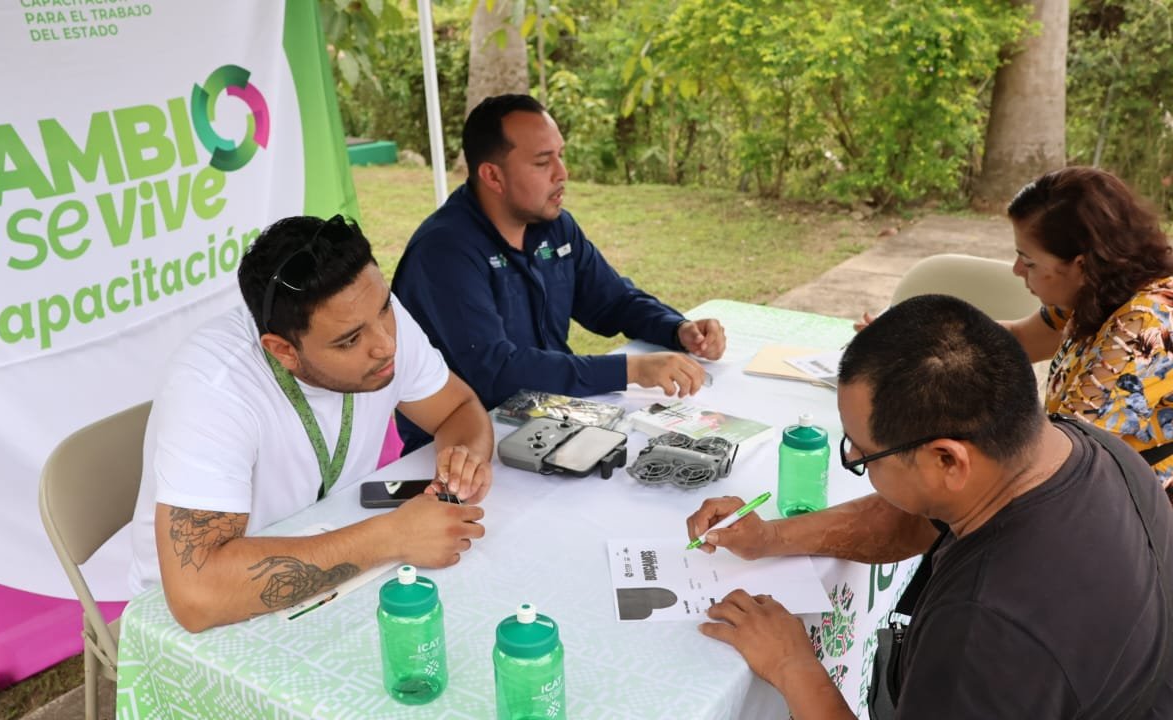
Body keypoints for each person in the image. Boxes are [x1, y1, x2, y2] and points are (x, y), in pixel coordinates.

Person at [688, 295, 1173, 719]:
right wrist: (770, 537)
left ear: (947, 460)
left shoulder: (982, 632)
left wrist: (792, 665)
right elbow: (917, 519)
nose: (853, 458)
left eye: (864, 454)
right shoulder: (1087, 450)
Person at [127, 214, 494, 633]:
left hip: (339, 554)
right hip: (212, 614)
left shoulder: (367, 316)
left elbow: (457, 408)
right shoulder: (212, 390)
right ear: (283, 351)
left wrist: (464, 459)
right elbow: (197, 597)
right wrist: (393, 537)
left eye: (385, 308)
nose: (386, 344)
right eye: (350, 341)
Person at [391, 94, 726, 453]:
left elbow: (612, 301)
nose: (562, 173)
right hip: (463, 447)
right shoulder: (445, 251)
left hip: (549, 420)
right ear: (492, 175)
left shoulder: (553, 226)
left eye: (560, 155)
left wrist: (677, 328)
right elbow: (498, 373)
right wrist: (632, 369)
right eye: (542, 162)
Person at [860, 167, 1173, 494]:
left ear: (1081, 265)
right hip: (1070, 478)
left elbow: (1057, 463)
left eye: (1029, 261)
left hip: (1129, 506)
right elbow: (1019, 339)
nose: (1017, 269)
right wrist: (912, 336)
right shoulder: (1097, 291)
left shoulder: (1142, 328)